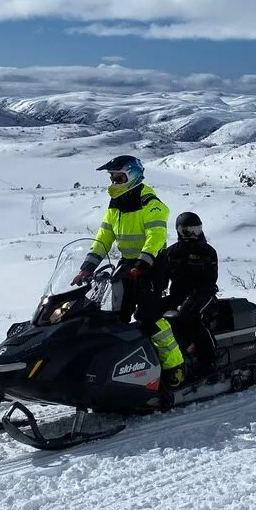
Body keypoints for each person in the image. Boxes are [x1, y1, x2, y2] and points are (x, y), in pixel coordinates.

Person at [71, 155, 185, 387]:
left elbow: (156, 236)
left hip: (152, 265)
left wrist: (143, 262)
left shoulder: (151, 204)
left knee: (149, 316)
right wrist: (87, 267)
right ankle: (123, 369)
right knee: (117, 316)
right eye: (113, 178)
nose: (114, 182)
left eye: (119, 177)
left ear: (132, 176)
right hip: (128, 263)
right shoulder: (116, 206)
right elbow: (103, 238)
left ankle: (175, 366)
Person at [152, 211, 219, 378]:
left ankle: (209, 357)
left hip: (204, 294)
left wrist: (195, 295)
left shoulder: (208, 252)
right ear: (180, 232)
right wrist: (153, 291)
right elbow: (162, 278)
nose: (193, 234)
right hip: (178, 294)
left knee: (190, 314)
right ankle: (163, 356)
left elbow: (210, 279)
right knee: (151, 312)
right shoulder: (172, 252)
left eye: (196, 229)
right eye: (188, 231)